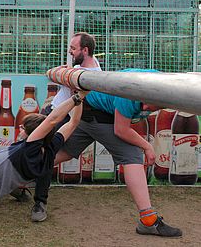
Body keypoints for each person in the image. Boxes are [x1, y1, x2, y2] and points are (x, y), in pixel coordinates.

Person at [33, 70, 183, 237]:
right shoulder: (130, 90)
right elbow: (121, 130)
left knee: (61, 153)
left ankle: (19, 176)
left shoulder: (164, 87)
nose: (146, 108)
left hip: (87, 111)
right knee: (132, 156)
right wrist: (147, 146)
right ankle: (148, 221)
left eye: (153, 107)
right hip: (95, 115)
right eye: (145, 103)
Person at [31, 31, 101, 218]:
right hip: (52, 112)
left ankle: (39, 203)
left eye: (73, 48)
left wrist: (65, 75)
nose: (69, 52)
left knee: (46, 155)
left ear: (84, 50)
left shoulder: (91, 75)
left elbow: (76, 95)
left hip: (63, 118)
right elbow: (52, 74)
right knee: (25, 147)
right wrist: (62, 73)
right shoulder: (79, 68)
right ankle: (18, 183)